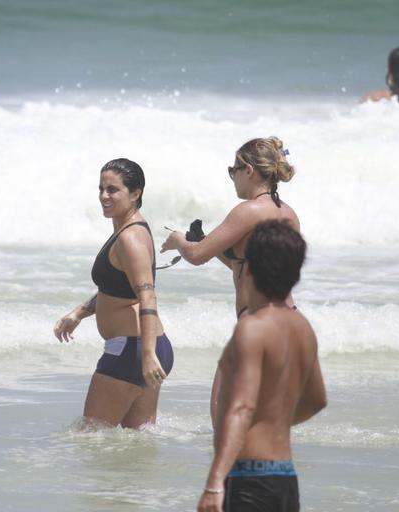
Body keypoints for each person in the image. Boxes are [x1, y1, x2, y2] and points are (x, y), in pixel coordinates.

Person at [161, 136, 300, 426]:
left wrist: (180, 241)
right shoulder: (288, 213)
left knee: (222, 416)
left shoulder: (247, 211)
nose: (232, 178)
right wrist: (211, 247)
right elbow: (249, 266)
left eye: (232, 170)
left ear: (248, 170)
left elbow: (197, 256)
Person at [196, 220, 327, 512]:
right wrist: (273, 421)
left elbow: (242, 408)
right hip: (285, 478)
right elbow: (317, 400)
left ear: (248, 268)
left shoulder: (252, 328)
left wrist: (215, 483)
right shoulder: (302, 327)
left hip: (248, 477)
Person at [53, 158, 174, 429]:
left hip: (134, 352)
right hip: (145, 348)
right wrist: (79, 313)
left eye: (113, 190)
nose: (104, 196)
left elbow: (147, 295)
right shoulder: (129, 231)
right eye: (101, 189)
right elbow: (118, 290)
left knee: (88, 439)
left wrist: (147, 354)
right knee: (136, 449)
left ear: (135, 193)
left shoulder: (130, 238)